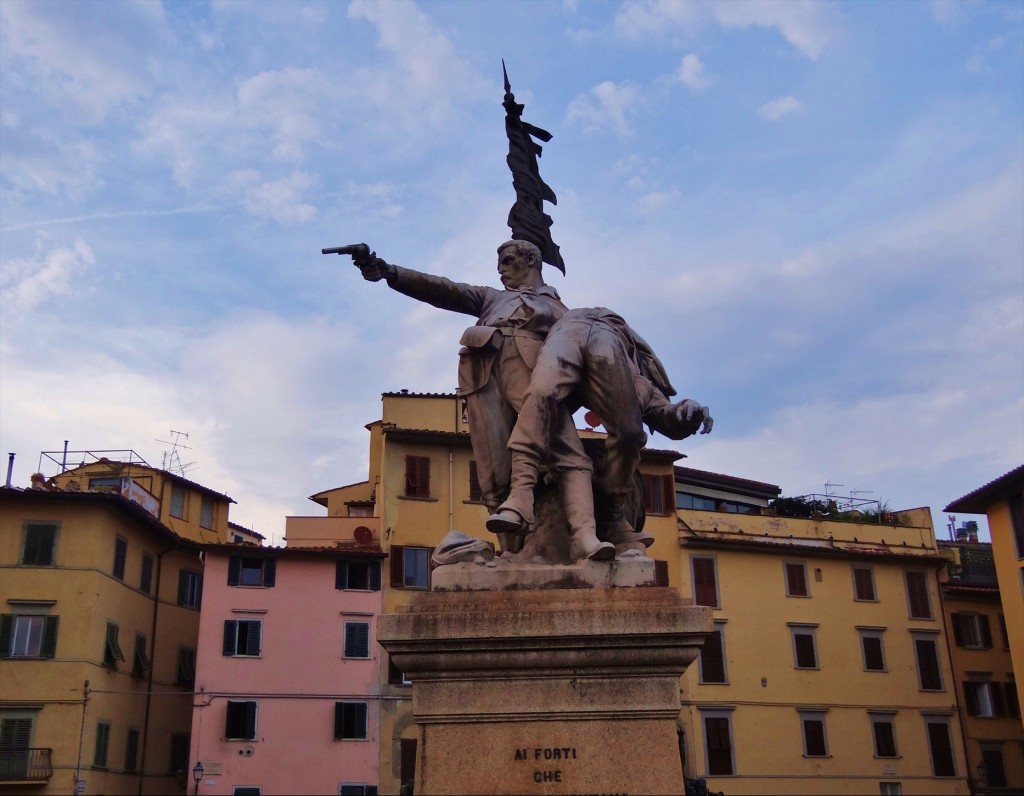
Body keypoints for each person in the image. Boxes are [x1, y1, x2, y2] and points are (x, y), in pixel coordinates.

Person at [353, 241, 611, 558]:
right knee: (492, 469)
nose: (500, 268)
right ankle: (511, 552)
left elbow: (588, 356)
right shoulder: (492, 299)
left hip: (533, 373)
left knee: (569, 452)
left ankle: (585, 537)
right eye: (499, 263)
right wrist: (391, 273)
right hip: (481, 377)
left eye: (508, 261)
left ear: (531, 260)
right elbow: (445, 290)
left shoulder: (560, 309)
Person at [486, 306, 713, 557]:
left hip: (599, 339)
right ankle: (521, 493)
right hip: (580, 328)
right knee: (542, 392)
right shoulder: (589, 331)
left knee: (630, 434)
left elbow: (666, 416)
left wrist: (685, 411)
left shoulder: (641, 384)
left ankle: (611, 515)